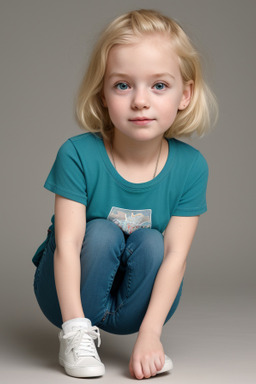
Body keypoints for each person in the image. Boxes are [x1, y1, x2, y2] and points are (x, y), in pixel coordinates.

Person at [32, 9, 217, 380]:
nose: (140, 101)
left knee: (152, 242)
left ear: (185, 94)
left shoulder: (191, 167)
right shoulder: (77, 154)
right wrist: (74, 327)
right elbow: (68, 246)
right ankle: (79, 335)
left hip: (134, 304)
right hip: (67, 294)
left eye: (159, 85)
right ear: (103, 94)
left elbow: (176, 256)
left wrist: (150, 334)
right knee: (100, 231)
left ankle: (142, 335)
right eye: (122, 85)